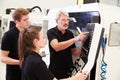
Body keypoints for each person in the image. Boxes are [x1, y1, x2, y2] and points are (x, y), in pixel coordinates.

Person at [18, 25, 88, 80]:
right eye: (43, 37)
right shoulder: (37, 62)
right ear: (35, 41)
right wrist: (77, 78)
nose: (45, 39)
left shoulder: (28, 57)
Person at [47, 10, 89, 79]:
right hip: (55, 72)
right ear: (57, 21)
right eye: (63, 20)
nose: (66, 22)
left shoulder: (70, 34)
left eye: (67, 20)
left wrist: (83, 43)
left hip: (68, 70)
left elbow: (75, 53)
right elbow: (57, 47)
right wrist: (76, 39)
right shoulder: (51, 32)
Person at [0, 8, 29, 80]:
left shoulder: (28, 34)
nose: (28, 22)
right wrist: (19, 62)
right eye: (25, 20)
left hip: (26, 73)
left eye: (28, 19)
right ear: (17, 21)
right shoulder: (8, 35)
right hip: (14, 75)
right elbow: (3, 58)